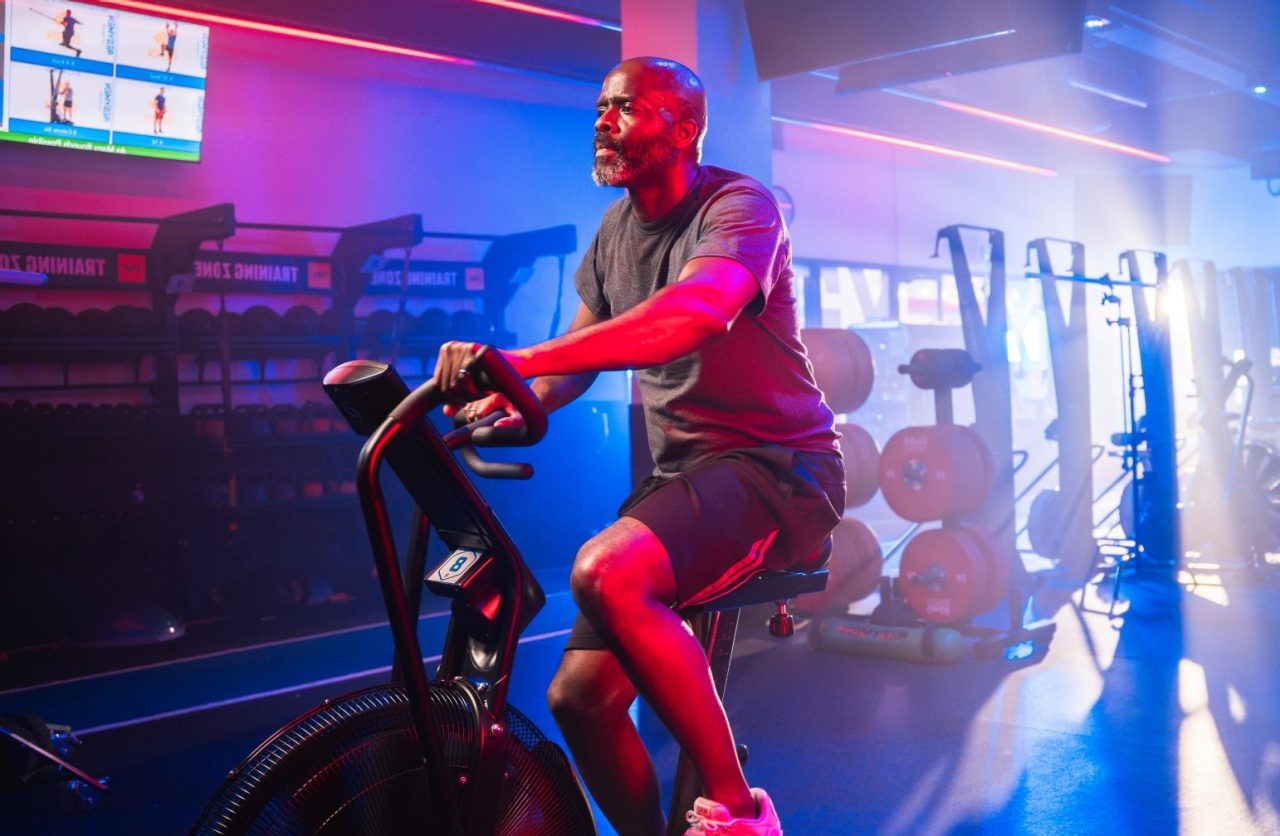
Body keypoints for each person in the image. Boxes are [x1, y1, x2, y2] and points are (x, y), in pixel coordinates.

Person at [433, 56, 843, 836]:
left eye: (625, 106)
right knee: (577, 700)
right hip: (686, 476)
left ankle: (739, 813)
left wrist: (529, 361)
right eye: (599, 107)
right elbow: (574, 359)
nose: (602, 119)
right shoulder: (616, 231)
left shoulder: (738, 207)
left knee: (605, 570)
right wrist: (509, 400)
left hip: (778, 470)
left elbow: (695, 313)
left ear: (683, 129)